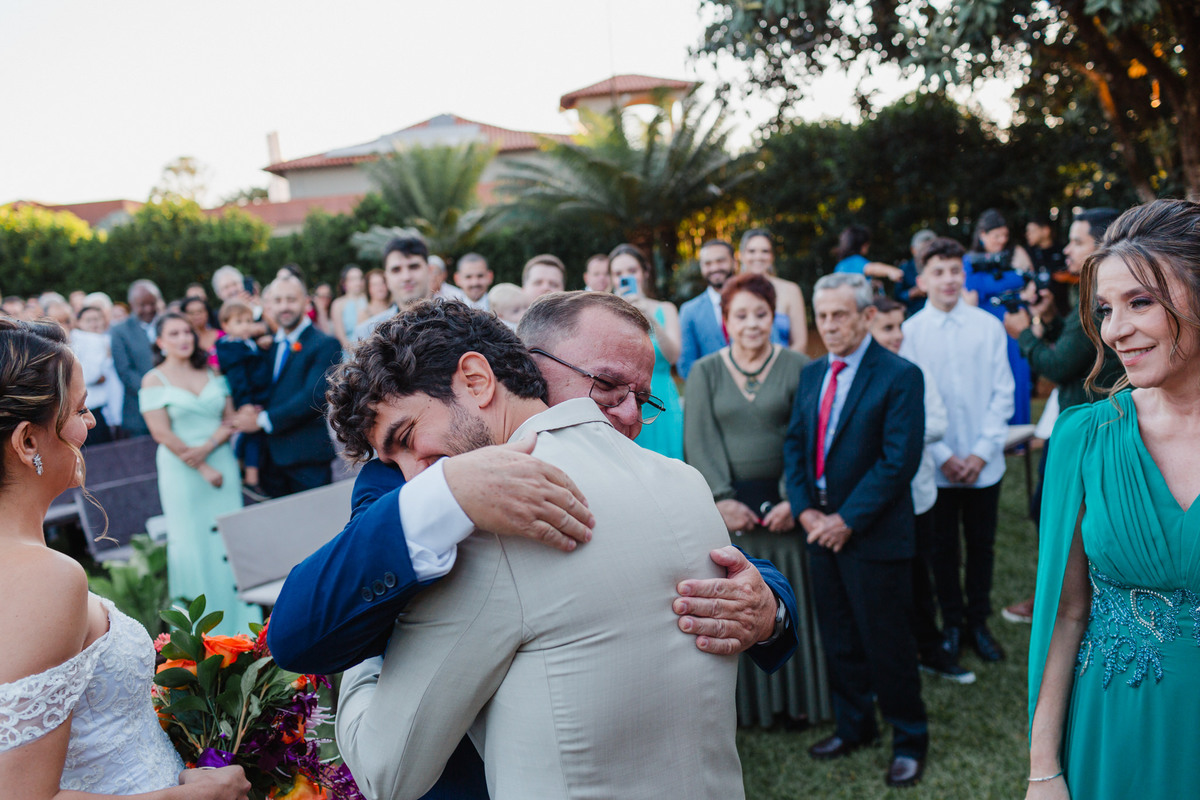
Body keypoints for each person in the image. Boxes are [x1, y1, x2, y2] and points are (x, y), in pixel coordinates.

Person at [270, 292, 799, 798]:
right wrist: (447, 497)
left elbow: (708, 557)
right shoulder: (418, 484)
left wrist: (770, 606)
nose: (629, 414)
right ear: (529, 369)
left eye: (642, 396)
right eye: (607, 385)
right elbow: (300, 629)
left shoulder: (674, 479)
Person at [0, 318, 251, 799]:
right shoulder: (45, 578)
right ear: (28, 440)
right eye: (80, 408)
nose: (91, 423)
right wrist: (197, 795)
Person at [1026, 198, 1200, 800]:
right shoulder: (1083, 437)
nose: (1114, 329)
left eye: (1140, 302)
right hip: (1116, 730)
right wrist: (1043, 770)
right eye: (1104, 309)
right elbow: (1066, 612)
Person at [784, 272, 928, 788]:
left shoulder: (899, 375)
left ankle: (909, 738)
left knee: (885, 641)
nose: (829, 325)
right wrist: (806, 513)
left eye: (839, 314)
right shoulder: (811, 374)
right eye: (822, 315)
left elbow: (898, 461)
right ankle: (855, 726)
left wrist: (847, 520)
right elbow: (796, 447)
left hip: (872, 531)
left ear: (867, 316)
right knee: (839, 636)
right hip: (819, 526)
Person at [684, 273, 829, 728]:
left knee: (794, 602)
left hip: (788, 508)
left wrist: (793, 499)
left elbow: (806, 438)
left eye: (761, 314)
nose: (752, 324)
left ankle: (805, 702)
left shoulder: (800, 366)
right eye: (741, 315)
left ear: (775, 318)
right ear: (726, 321)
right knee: (743, 605)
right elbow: (699, 439)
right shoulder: (705, 371)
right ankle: (751, 711)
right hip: (731, 512)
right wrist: (721, 500)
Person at [1001, 207, 1125, 625]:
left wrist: (1022, 333)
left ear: (1103, 245)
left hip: (1089, 424)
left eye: (1077, 241)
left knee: (1058, 514)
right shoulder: (1084, 298)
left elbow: (1058, 366)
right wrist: (1051, 319)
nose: (1066, 250)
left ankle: (1062, 599)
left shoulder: (1097, 303)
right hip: (1085, 419)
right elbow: (1075, 347)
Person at [901, 237, 1015, 664]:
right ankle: (951, 622)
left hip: (985, 462)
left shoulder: (988, 326)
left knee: (982, 545)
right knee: (943, 548)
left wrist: (983, 452)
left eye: (954, 270)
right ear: (922, 279)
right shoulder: (911, 334)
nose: (948, 279)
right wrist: (944, 454)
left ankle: (978, 621)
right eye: (938, 272)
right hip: (937, 463)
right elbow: (913, 404)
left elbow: (1003, 392)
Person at [870, 297, 974, 684]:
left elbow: (938, 425)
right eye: (887, 327)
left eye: (899, 326)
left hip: (918, 493)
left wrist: (886, 430)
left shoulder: (915, 371)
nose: (897, 335)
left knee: (920, 576)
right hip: (875, 499)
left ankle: (929, 649)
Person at [139, 313, 260, 635]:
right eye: (174, 333)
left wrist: (208, 450)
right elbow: (161, 433)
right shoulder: (154, 379)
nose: (183, 338)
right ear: (160, 342)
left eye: (187, 332)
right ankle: (200, 635)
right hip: (183, 471)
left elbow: (230, 417)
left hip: (220, 460)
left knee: (229, 540)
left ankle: (244, 629)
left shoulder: (210, 370)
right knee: (193, 544)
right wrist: (201, 464)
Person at [232, 275, 340, 498]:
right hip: (269, 461)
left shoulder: (325, 344)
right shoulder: (266, 345)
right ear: (269, 305)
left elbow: (314, 396)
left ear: (306, 302)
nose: (284, 307)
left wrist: (261, 420)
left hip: (307, 459)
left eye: (291, 299)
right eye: (278, 300)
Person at [609, 243, 683, 460]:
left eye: (632, 271)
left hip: (662, 399)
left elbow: (673, 356)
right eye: (618, 273)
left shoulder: (665, 309)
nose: (626, 277)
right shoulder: (607, 313)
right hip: (623, 402)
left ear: (645, 273)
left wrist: (650, 317)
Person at [964, 208, 1035, 425]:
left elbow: (1032, 281)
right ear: (982, 235)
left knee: (1019, 373)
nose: (1002, 240)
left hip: (1015, 320)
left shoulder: (1015, 252)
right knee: (992, 375)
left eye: (1004, 235)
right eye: (996, 236)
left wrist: (1026, 293)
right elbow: (970, 297)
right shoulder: (969, 260)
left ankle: (1020, 431)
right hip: (988, 323)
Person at [215, 300, 271, 497]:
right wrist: (246, 403)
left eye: (248, 320)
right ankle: (251, 478)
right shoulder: (232, 350)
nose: (246, 325)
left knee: (250, 435)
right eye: (239, 322)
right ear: (226, 326)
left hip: (257, 396)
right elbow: (239, 380)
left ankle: (241, 462)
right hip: (250, 398)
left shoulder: (244, 344)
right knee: (254, 435)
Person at [738, 229, 809, 353]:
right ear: (742, 255)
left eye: (765, 251)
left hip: (784, 367)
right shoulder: (733, 291)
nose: (758, 257)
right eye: (752, 251)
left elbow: (800, 343)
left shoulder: (791, 290)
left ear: (772, 256)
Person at [354, 237, 434, 341]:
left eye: (413, 266)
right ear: (386, 278)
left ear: (429, 270)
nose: (406, 277)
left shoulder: (456, 323)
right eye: (396, 270)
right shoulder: (368, 335)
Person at [678, 239, 736, 380]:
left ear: (734, 262)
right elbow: (685, 366)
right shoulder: (689, 311)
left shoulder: (754, 301)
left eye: (720, 261)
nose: (714, 268)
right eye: (708, 263)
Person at [111, 279, 163, 437]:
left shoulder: (167, 323)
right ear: (132, 304)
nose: (148, 309)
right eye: (142, 305)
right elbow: (124, 371)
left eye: (152, 303)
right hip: (139, 410)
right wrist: (154, 391)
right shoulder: (120, 331)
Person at [70, 306, 116, 446]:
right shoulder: (84, 341)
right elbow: (91, 375)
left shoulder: (105, 339)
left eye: (97, 319)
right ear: (79, 323)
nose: (94, 324)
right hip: (93, 407)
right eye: (89, 320)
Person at [831, 225, 906, 284]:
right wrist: (891, 271)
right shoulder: (856, 260)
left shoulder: (840, 265)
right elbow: (872, 268)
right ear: (863, 245)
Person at [896, 229, 936, 317]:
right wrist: (912, 293)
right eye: (922, 249)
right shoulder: (905, 268)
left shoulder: (938, 267)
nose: (926, 254)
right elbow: (897, 296)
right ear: (913, 250)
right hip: (913, 314)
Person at [330, 264, 367, 349]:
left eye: (360, 278)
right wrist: (355, 353)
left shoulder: (369, 299)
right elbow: (340, 336)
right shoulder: (338, 304)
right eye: (353, 279)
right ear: (344, 283)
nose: (358, 282)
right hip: (350, 352)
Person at [181, 297, 221, 368]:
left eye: (200, 311)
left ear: (207, 313)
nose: (196, 315)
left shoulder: (222, 335)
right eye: (191, 313)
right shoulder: (185, 341)